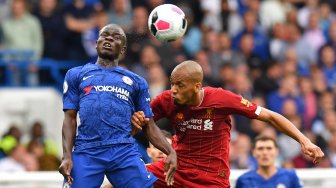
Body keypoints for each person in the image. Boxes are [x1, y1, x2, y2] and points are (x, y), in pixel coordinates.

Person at [132, 60, 324, 187]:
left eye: (180, 85)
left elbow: (271, 116)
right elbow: (141, 124)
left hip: (212, 178)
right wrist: (134, 124)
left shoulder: (222, 99)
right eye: (172, 84)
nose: (173, 90)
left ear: (197, 86)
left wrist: (304, 140)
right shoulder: (167, 100)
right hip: (177, 168)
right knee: (120, 180)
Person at [58, 24, 176, 188]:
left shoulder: (137, 82)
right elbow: (69, 119)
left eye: (116, 37)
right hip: (87, 150)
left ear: (122, 49)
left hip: (122, 150)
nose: (109, 38)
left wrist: (170, 151)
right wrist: (66, 156)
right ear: (96, 42)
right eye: (104, 35)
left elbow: (149, 125)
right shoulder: (76, 74)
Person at [235, 135, 302, 188]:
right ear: (253, 152)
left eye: (269, 148)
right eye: (260, 148)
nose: (265, 152)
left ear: (277, 151)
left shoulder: (290, 177)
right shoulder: (244, 180)